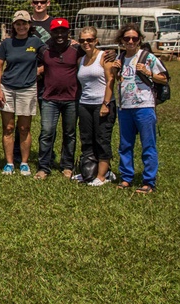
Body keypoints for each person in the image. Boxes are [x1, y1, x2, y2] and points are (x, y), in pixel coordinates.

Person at [113, 23, 167, 194]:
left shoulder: (148, 58)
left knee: (148, 144)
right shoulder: (120, 58)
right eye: (127, 38)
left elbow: (164, 78)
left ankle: (149, 181)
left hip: (144, 106)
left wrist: (148, 72)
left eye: (134, 38)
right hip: (125, 107)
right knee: (125, 145)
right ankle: (126, 177)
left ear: (139, 40)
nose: (130, 41)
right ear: (121, 40)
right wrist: (115, 71)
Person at [0, 10, 43, 176]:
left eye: (24, 23)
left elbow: (48, 61)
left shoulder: (36, 42)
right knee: (8, 127)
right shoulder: (7, 43)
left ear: (29, 25)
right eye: (18, 24)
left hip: (27, 89)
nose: (21, 26)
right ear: (14, 25)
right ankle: (9, 163)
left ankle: (24, 163)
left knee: (24, 127)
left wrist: (35, 72)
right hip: (7, 88)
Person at [34, 18, 80, 180]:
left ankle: (67, 165)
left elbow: (94, 54)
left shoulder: (77, 50)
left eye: (63, 31)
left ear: (68, 32)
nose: (60, 34)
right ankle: (43, 167)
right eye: (56, 31)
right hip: (49, 99)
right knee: (47, 133)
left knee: (70, 133)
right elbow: (32, 65)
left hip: (71, 99)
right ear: (51, 33)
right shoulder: (44, 51)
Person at [76, 26, 115, 186]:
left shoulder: (104, 57)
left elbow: (110, 81)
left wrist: (106, 104)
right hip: (85, 104)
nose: (86, 43)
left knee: (102, 139)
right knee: (86, 139)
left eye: (89, 40)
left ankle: (103, 176)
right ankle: (88, 170)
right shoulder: (81, 60)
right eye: (83, 40)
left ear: (96, 40)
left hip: (103, 104)